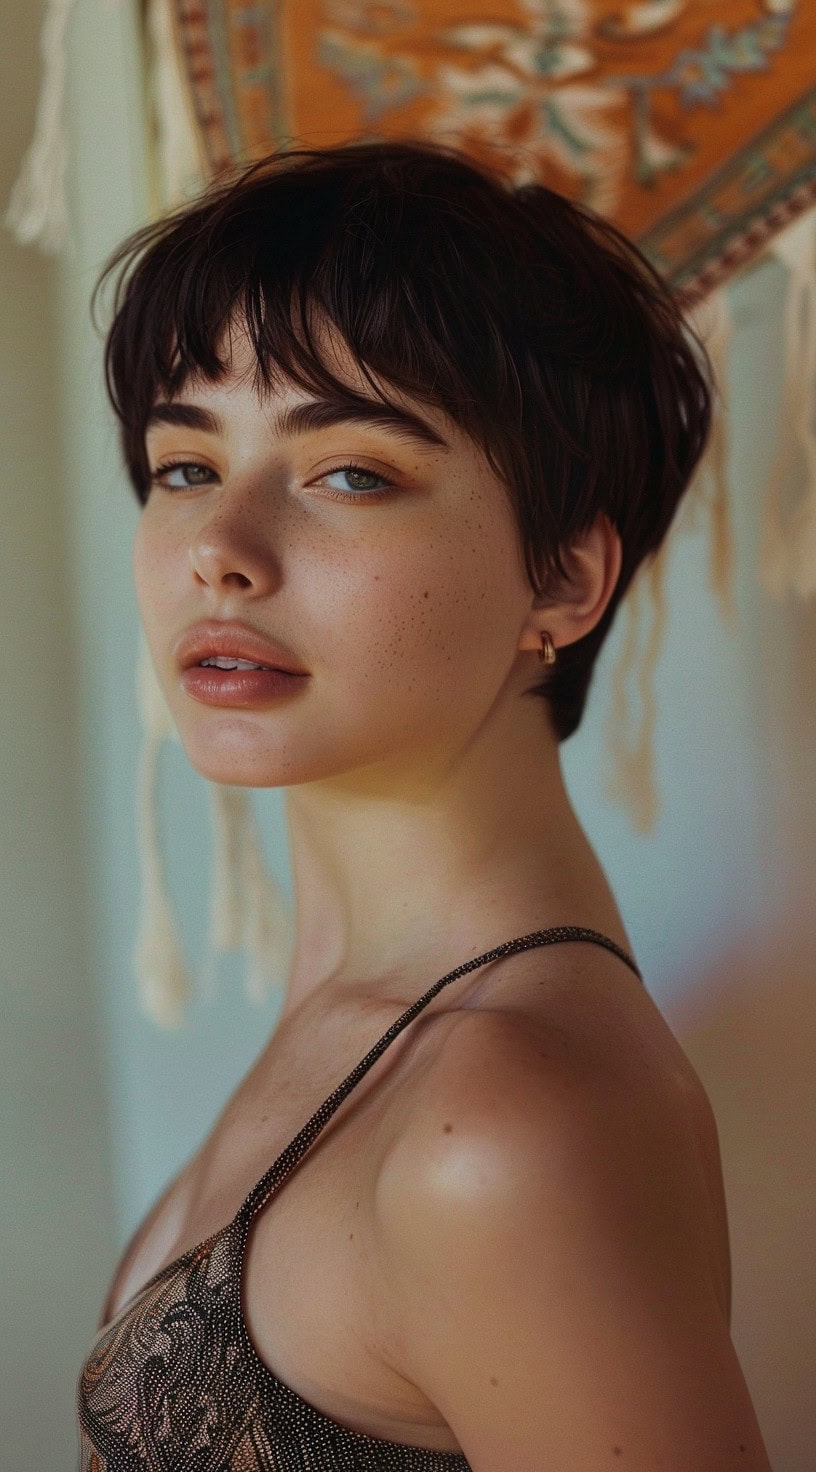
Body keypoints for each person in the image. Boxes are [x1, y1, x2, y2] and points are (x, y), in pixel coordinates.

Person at [76, 138, 773, 1470]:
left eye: (350, 473)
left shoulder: (508, 1125)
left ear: (563, 581)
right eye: (183, 465)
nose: (220, 549)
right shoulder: (379, 1024)